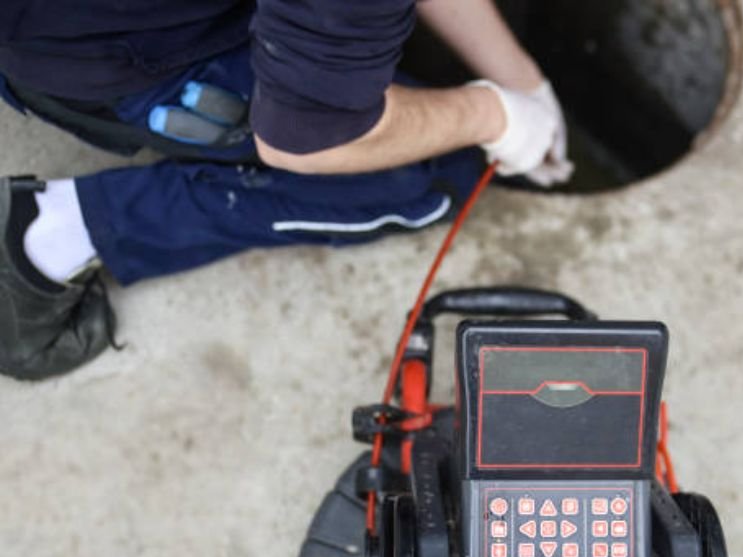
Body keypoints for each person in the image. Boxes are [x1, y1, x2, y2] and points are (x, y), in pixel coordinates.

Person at [0, 0, 573, 381]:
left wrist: (520, 79)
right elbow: (306, 137)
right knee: (437, 175)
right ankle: (47, 233)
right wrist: (491, 117)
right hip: (97, 58)